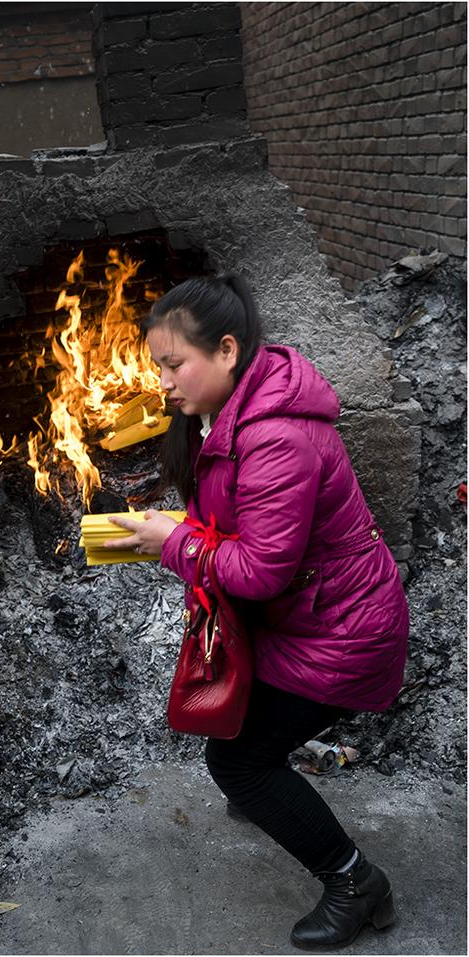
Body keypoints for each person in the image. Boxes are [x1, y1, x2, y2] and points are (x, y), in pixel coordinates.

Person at [105, 273, 409, 950]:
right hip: (306, 616)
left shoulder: (277, 437)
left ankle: (358, 882)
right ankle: (268, 789)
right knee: (246, 730)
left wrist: (175, 542)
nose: (164, 382)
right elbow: (242, 528)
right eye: (159, 365)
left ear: (228, 350)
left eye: (174, 363)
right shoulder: (227, 412)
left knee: (235, 759)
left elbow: (262, 569)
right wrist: (177, 531)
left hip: (342, 630)